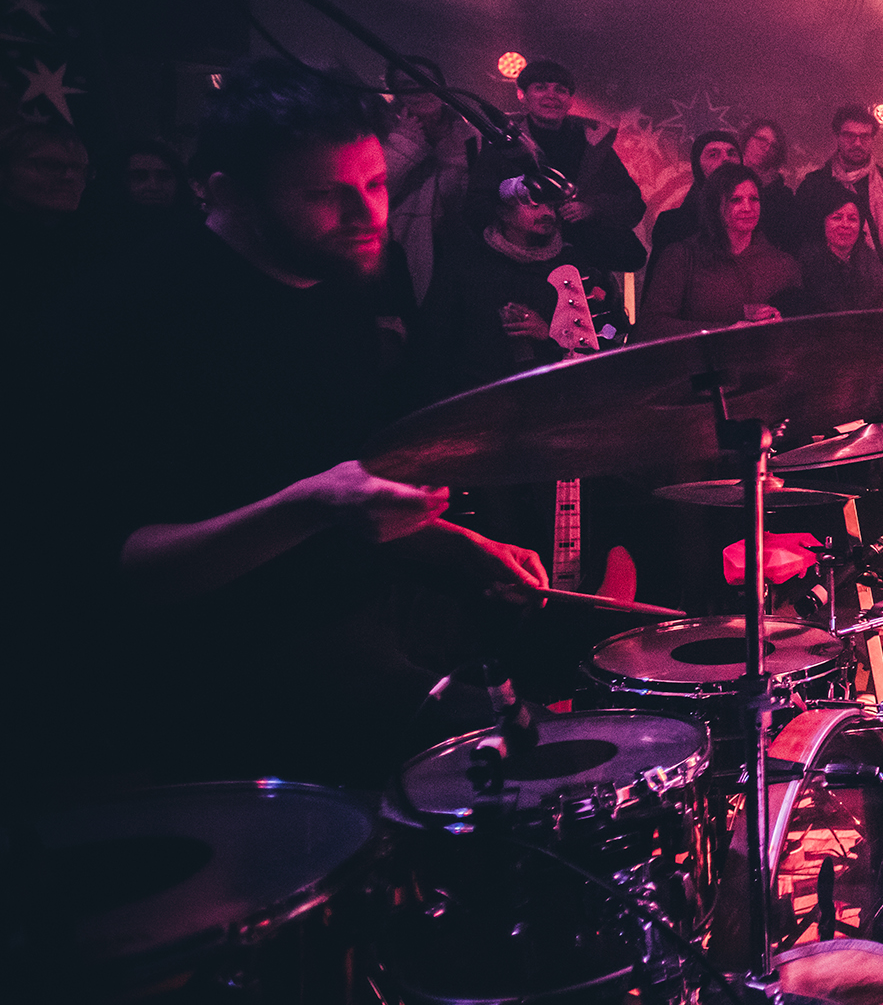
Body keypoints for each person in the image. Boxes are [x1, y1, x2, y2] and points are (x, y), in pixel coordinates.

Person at [14, 58, 547, 793]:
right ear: (227, 193)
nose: (367, 215)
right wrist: (312, 506)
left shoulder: (335, 284)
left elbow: (332, 491)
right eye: (325, 195)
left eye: (375, 185)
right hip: (190, 700)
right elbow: (122, 571)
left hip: (341, 647)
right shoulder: (120, 319)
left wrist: (458, 545)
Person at [415, 171, 646, 395]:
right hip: (482, 402)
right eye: (534, 205)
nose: (547, 213)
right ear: (503, 213)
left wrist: (549, 336)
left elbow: (609, 339)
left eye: (551, 206)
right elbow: (433, 347)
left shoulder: (578, 267)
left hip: (557, 401)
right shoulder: (468, 269)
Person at [470, 58, 647, 241]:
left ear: (571, 101)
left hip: (585, 250)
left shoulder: (593, 143)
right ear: (522, 95)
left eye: (560, 90)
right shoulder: (503, 142)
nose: (551, 95)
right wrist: (518, 218)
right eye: (540, 88)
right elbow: (477, 203)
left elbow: (633, 203)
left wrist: (592, 208)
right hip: (521, 252)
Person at [637, 164, 800, 339]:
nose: (747, 207)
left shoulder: (783, 264)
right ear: (714, 205)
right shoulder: (682, 257)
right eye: (735, 200)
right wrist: (725, 331)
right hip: (700, 356)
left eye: (754, 199)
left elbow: (801, 329)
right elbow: (650, 326)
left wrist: (779, 323)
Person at [381, 57, 475, 305]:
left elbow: (469, 202)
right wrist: (404, 145)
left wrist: (454, 159)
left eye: (426, 81)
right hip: (398, 258)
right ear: (395, 94)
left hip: (456, 255)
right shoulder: (378, 133)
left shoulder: (468, 135)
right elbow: (377, 194)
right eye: (407, 85)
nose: (419, 90)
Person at [786, 104, 883, 291]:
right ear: (837, 137)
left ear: (872, 139)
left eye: (864, 136)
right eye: (849, 136)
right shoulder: (815, 185)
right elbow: (802, 242)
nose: (857, 143)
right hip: (826, 287)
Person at [0, 120, 97, 317]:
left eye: (80, 169)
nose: (71, 177)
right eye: (50, 165)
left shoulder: (91, 239)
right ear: (5, 171)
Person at [777, 199, 883, 315]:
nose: (845, 225)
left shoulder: (879, 273)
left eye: (852, 219)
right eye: (837, 218)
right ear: (824, 222)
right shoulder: (802, 267)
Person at [652, 128, 743, 257]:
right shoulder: (671, 224)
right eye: (713, 154)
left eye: (732, 153)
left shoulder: (758, 216)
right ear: (698, 165)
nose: (725, 159)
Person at [741, 118, 796, 221]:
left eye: (774, 147)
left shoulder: (781, 197)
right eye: (761, 140)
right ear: (748, 138)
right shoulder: (724, 175)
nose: (766, 149)